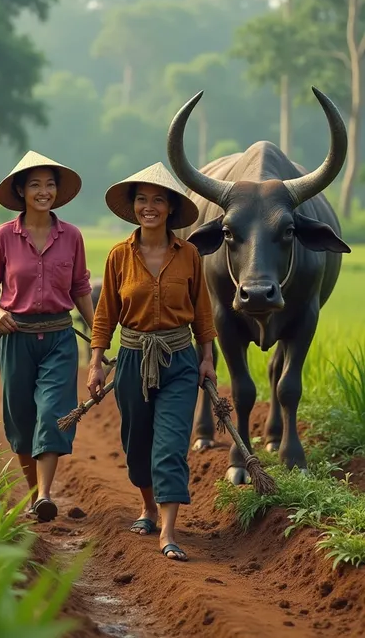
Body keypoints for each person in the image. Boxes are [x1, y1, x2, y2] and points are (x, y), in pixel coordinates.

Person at [87, 162, 217, 562]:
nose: (149, 207)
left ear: (170, 208)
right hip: (131, 360)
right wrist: (95, 362)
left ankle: (168, 530)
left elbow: (203, 312)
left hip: (178, 358)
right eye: (142, 200)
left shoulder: (189, 254)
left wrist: (207, 358)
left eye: (157, 200)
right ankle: (146, 506)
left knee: (171, 446)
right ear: (133, 207)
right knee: (137, 444)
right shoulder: (119, 256)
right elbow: (105, 313)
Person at [0, 150, 94, 523]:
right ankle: (33, 495)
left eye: (49, 185)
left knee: (53, 412)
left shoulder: (72, 236)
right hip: (16, 338)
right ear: (21, 191)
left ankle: (45, 495)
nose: (43, 191)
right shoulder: (3, 237)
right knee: (22, 419)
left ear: (57, 192)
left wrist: (97, 334)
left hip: (59, 337)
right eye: (35, 185)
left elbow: (80, 287)